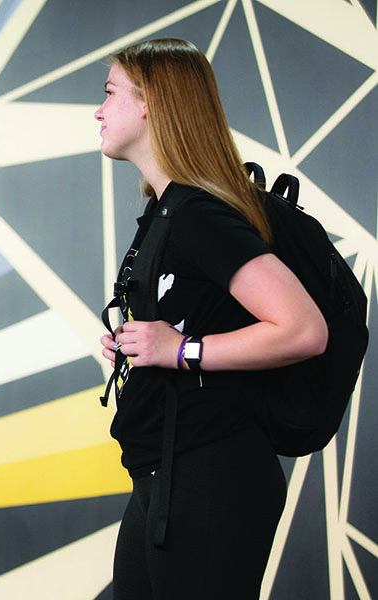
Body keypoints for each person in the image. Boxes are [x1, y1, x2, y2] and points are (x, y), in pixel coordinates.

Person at [95, 39, 328, 599]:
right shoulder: (166, 208)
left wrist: (180, 350)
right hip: (164, 473)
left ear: (150, 101)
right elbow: (187, 322)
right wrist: (143, 344)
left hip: (210, 475)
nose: (98, 111)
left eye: (109, 93)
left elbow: (303, 329)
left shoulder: (199, 213)